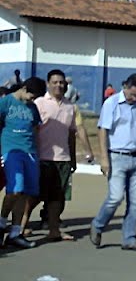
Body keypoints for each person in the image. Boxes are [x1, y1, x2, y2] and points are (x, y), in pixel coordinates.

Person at [91, 73, 136, 251]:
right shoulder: (111, 103)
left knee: (135, 202)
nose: (134, 98)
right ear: (125, 86)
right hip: (116, 156)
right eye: (131, 94)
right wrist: (104, 159)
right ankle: (98, 224)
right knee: (115, 197)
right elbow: (103, 131)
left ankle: (129, 238)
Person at [0, 76, 46, 249]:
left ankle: (15, 233)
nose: (33, 100)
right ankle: (1, 224)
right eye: (32, 96)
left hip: (30, 153)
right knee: (15, 189)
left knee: (26, 193)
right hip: (11, 150)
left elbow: (34, 129)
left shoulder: (32, 108)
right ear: (24, 88)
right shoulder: (6, 103)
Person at [35, 70, 78, 243]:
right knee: (34, 196)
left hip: (63, 159)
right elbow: (33, 131)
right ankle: (19, 229)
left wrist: (73, 157)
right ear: (48, 84)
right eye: (55, 82)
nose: (59, 85)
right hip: (42, 158)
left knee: (58, 198)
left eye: (61, 83)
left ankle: (54, 230)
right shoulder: (39, 103)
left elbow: (71, 134)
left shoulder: (70, 107)